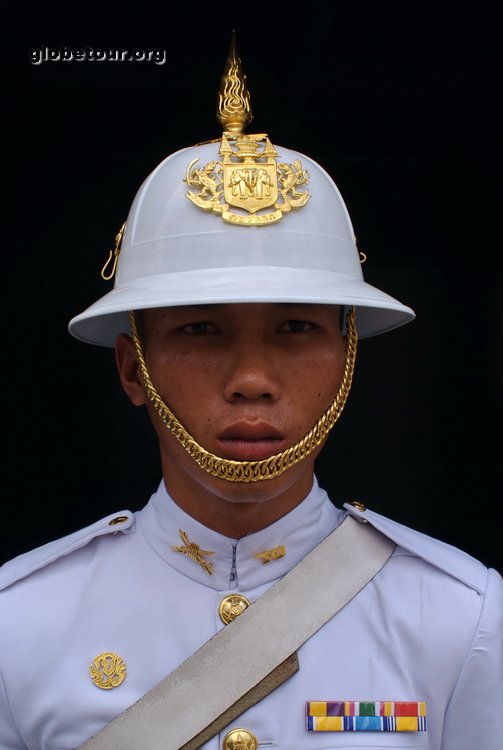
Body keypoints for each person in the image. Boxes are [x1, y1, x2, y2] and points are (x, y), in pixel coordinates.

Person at [1, 40, 501, 750]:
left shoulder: (461, 617)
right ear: (132, 370)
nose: (252, 380)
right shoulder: (19, 622)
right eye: (201, 330)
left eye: (295, 328)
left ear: (347, 355)